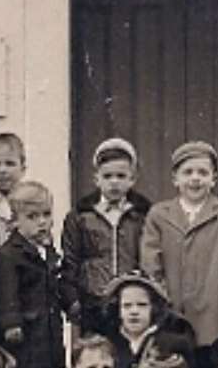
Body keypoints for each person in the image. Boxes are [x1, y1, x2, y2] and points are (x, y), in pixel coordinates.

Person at [139, 141, 218, 368]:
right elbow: (150, 262)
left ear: (213, 179)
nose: (195, 179)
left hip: (215, 306)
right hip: (175, 309)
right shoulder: (159, 214)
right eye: (188, 173)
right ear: (175, 179)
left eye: (203, 173)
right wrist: (160, 300)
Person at [0, 180, 73, 368]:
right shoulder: (9, 254)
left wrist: (70, 303)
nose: (42, 222)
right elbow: (7, 291)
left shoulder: (49, 252)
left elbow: (57, 285)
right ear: (15, 221)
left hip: (49, 333)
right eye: (32, 216)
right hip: (25, 335)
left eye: (46, 215)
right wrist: (11, 322)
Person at [60, 137, 153, 337]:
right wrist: (73, 300)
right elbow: (71, 260)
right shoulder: (81, 215)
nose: (114, 182)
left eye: (121, 176)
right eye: (108, 176)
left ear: (132, 179)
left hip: (130, 300)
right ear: (97, 179)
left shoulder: (143, 214)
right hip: (93, 300)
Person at [100, 272, 197, 368]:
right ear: (117, 309)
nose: (134, 311)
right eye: (127, 306)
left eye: (142, 305)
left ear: (154, 308)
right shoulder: (109, 345)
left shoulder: (171, 343)